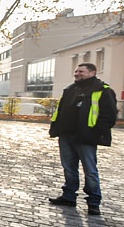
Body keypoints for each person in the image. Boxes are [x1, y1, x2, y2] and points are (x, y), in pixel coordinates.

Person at [48, 62, 117, 216]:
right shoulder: (71, 89)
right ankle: (69, 196)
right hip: (67, 136)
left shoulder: (103, 90)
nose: (77, 73)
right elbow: (60, 111)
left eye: (81, 71)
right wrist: (56, 129)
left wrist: (94, 133)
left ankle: (93, 202)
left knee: (90, 171)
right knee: (69, 168)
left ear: (92, 73)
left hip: (86, 138)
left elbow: (109, 116)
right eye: (76, 71)